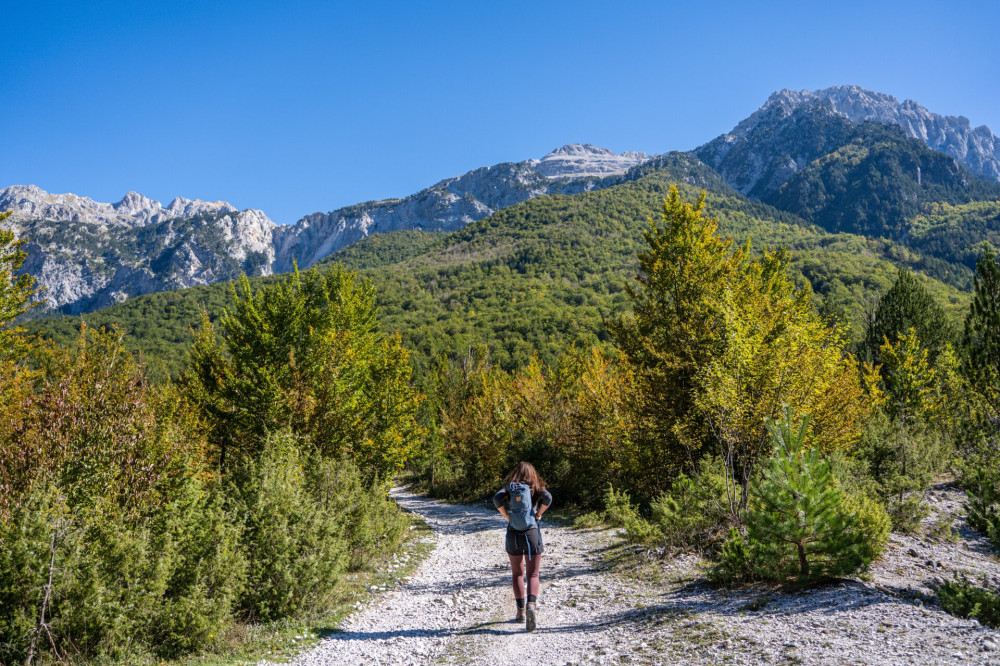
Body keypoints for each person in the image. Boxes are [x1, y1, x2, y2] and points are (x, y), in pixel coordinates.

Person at [493, 461, 552, 632]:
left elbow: (496, 499)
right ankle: (531, 605)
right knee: (533, 573)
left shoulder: (509, 488)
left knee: (517, 573)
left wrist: (507, 516)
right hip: (531, 533)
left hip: (513, 534)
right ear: (532, 473)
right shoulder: (535, 487)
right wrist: (538, 514)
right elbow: (548, 498)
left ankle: (520, 612)